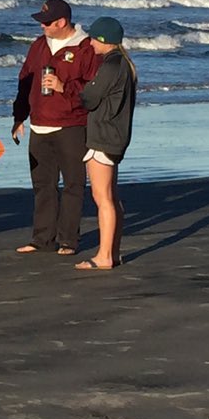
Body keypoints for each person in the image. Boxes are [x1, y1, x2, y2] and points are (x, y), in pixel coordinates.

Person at [11, 0, 99, 255]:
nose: (43, 26)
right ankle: (42, 239)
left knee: (73, 184)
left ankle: (69, 240)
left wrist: (64, 87)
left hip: (72, 124)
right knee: (43, 185)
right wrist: (19, 117)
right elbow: (25, 80)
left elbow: (94, 88)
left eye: (47, 22)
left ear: (62, 22)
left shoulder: (86, 48)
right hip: (39, 124)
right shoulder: (39, 45)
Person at [76, 17, 138, 270]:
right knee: (111, 195)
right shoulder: (124, 64)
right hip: (115, 135)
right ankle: (113, 252)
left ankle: (104, 256)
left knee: (102, 197)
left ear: (104, 39)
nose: (90, 43)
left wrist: (64, 88)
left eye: (93, 38)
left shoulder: (112, 65)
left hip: (104, 136)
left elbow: (89, 98)